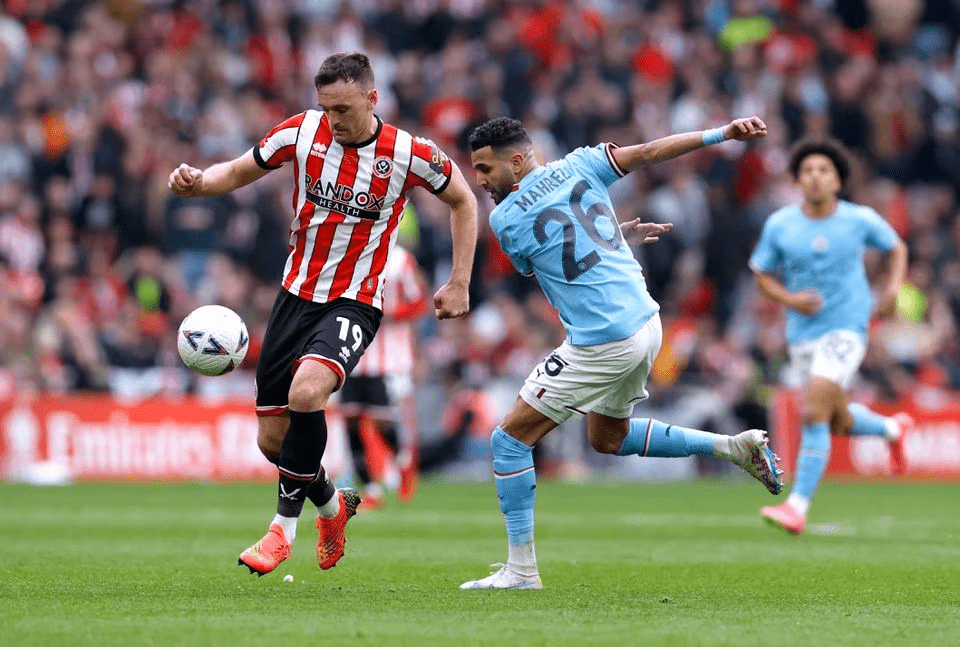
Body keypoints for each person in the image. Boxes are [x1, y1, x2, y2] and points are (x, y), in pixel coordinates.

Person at [168, 52, 477, 576]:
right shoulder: (300, 132)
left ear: (372, 99)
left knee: (307, 392)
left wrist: (460, 280)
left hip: (356, 299)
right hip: (294, 296)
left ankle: (280, 531)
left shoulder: (407, 152)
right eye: (325, 107)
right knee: (274, 442)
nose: (333, 119)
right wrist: (200, 182)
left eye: (343, 108)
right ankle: (333, 508)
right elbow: (241, 170)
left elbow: (464, 201)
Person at [460, 116, 780, 590]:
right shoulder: (583, 164)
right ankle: (732, 447)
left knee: (509, 441)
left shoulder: (504, 218)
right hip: (647, 324)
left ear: (519, 160)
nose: (481, 182)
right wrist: (722, 134)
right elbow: (650, 151)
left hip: (604, 339)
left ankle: (522, 571)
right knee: (608, 438)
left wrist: (605, 234)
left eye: (486, 169)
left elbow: (544, 266)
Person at [750, 138, 911, 536]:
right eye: (808, 171)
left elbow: (897, 247)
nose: (816, 177)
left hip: (847, 328)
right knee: (836, 419)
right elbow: (761, 274)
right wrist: (790, 299)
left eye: (825, 170)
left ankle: (797, 507)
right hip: (802, 335)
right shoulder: (780, 224)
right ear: (797, 181)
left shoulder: (859, 219)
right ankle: (893, 429)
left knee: (813, 411)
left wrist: (891, 290)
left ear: (838, 181)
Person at [337, 243, 429, 509]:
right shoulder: (347, 254)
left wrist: (388, 314)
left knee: (381, 420)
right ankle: (371, 490)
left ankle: (402, 460)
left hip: (389, 359)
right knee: (350, 422)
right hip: (350, 353)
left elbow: (418, 301)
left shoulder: (401, 260)